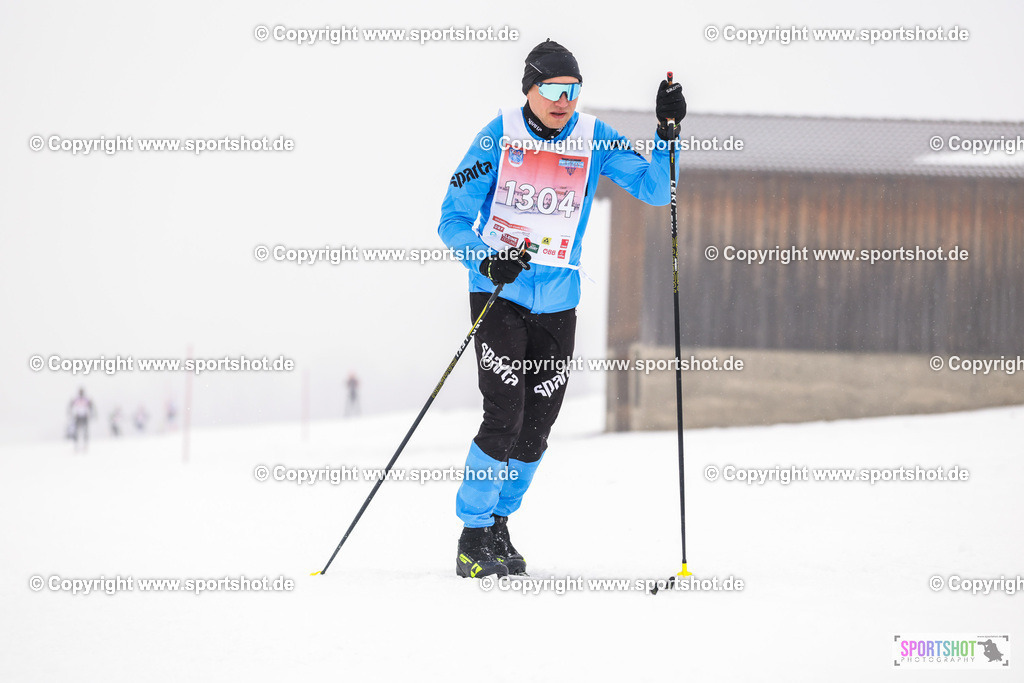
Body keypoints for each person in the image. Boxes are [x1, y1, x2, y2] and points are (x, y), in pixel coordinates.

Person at [438, 39, 686, 578]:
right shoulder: (497, 135)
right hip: (501, 295)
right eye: (551, 89)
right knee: (503, 415)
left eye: (572, 91)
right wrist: (487, 261)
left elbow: (654, 189)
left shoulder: (593, 137)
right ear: (528, 88)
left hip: (558, 302)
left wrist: (666, 134)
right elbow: (451, 219)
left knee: (537, 429)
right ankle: (472, 534)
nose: (563, 100)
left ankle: (499, 524)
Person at [67, 388, 95, 452]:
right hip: (78, 416)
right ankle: (76, 445)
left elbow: (91, 407)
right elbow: (71, 406)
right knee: (76, 431)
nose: (81, 393)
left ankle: (85, 444)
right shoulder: (76, 399)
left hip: (84, 416)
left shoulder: (86, 399)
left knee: (85, 431)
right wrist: (70, 413)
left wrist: (92, 413)